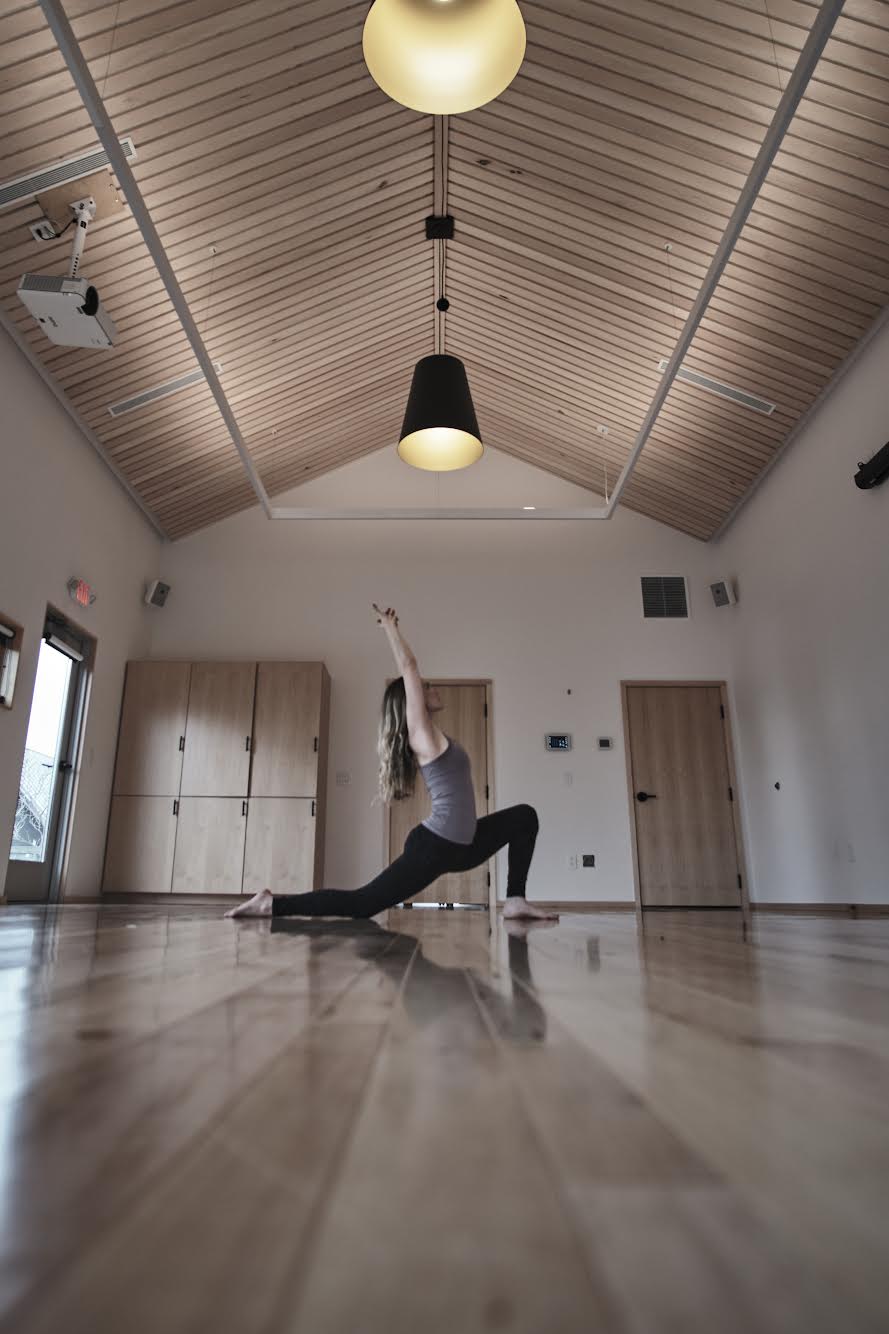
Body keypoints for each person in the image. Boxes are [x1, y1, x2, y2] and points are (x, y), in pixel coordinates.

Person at [226, 605, 557, 921]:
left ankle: (514, 900)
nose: (431, 688)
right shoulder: (422, 735)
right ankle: (272, 905)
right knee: (363, 903)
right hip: (437, 845)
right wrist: (391, 629)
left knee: (524, 817)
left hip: (465, 844)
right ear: (411, 700)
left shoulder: (433, 736)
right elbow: (409, 668)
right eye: (425, 687)